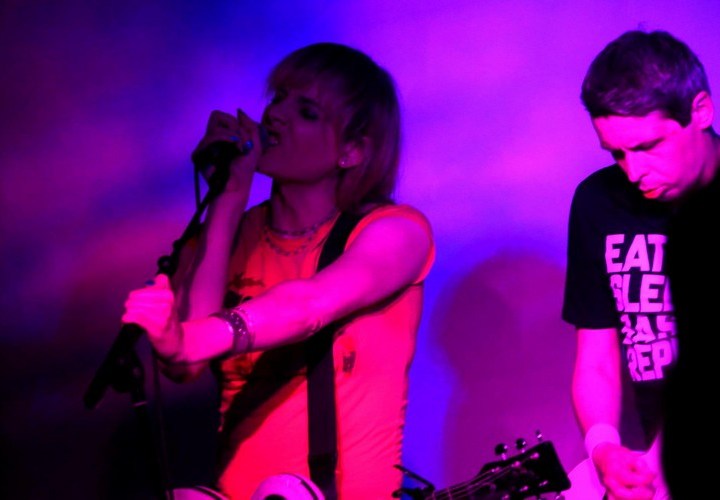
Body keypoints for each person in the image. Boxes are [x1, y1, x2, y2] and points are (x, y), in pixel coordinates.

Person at [122, 42, 435, 500]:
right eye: (279, 98)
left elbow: (307, 306)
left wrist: (187, 339)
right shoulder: (228, 238)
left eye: (306, 112)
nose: (276, 116)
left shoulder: (395, 232)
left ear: (351, 150)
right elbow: (184, 368)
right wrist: (228, 197)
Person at [562, 29, 719, 499]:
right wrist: (603, 447)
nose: (634, 172)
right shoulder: (597, 203)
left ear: (700, 111)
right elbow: (596, 358)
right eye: (617, 153)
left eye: (648, 147)